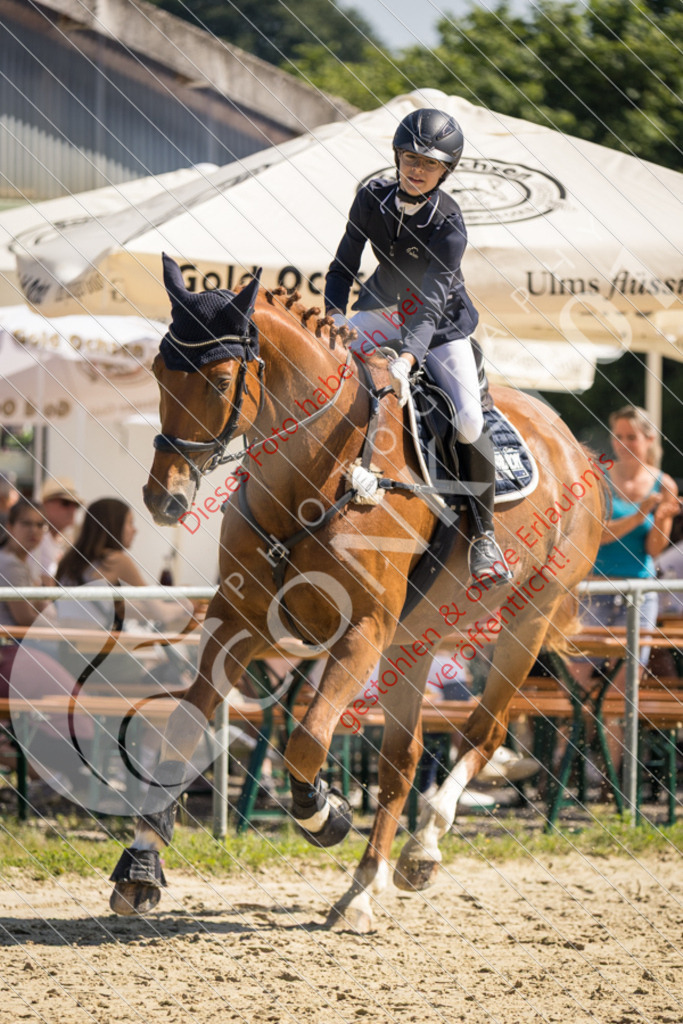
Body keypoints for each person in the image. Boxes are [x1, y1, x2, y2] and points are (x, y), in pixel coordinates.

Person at [324, 107, 511, 585]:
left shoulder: (449, 221)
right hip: (381, 313)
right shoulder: (371, 198)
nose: (415, 169)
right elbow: (342, 265)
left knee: (468, 419)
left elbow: (429, 303)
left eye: (427, 164)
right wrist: (331, 318)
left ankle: (485, 537)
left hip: (442, 326)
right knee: (318, 361)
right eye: (409, 157)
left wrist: (409, 356)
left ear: (445, 171)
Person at [585, 405, 679, 640]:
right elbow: (598, 535)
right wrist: (639, 516)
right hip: (596, 586)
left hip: (640, 588)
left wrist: (660, 519)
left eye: (631, 437)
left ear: (649, 439)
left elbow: (654, 549)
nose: (623, 444)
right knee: (582, 666)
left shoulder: (665, 484)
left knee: (634, 662)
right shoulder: (599, 478)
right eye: (618, 436)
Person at [35, 477, 83, 582]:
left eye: (76, 505)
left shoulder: (65, 540)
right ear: (45, 504)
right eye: (65, 503)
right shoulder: (36, 539)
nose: (73, 509)